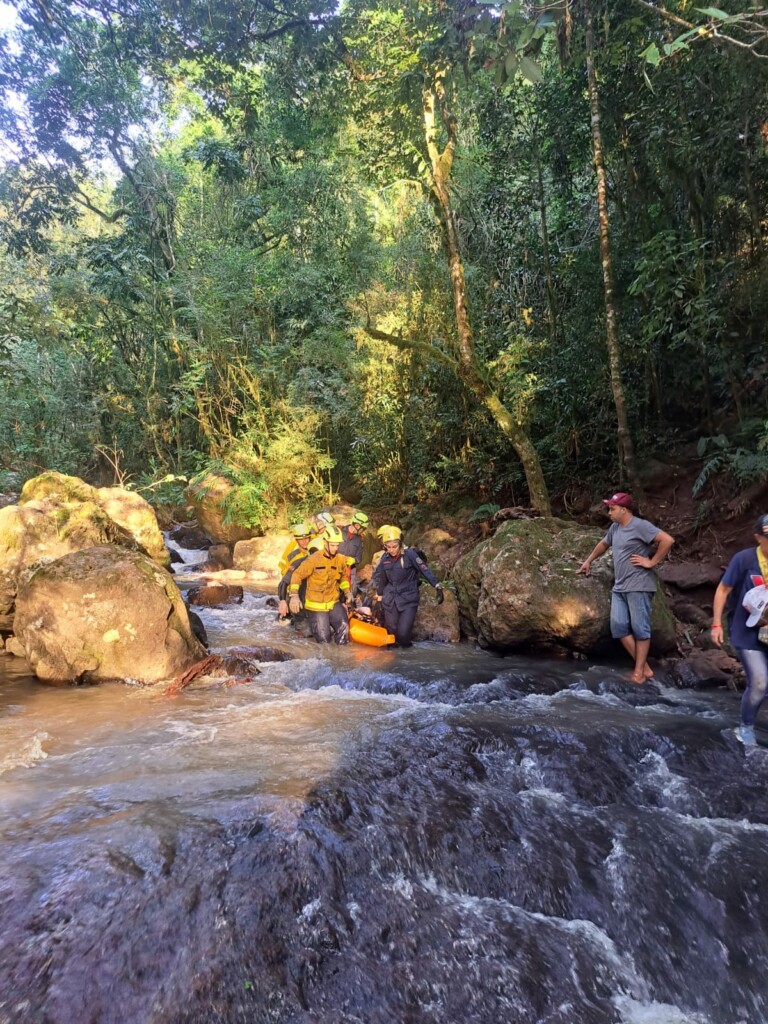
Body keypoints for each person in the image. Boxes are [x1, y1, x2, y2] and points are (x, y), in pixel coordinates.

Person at [577, 492, 675, 684]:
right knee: (619, 628)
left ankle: (638, 673)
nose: (609, 512)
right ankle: (645, 668)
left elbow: (667, 540)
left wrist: (651, 562)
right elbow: (604, 544)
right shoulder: (615, 528)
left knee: (640, 629)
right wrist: (588, 561)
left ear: (624, 510)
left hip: (639, 585)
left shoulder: (640, 526)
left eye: (612, 509)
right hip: (620, 587)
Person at [711, 513, 768, 745]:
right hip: (746, 631)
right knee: (760, 682)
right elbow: (723, 590)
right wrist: (716, 624)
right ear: (758, 537)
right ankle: (746, 728)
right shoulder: (744, 560)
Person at [373, 526, 444, 648]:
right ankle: (393, 662)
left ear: (400, 544)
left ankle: (408, 653)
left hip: (408, 598)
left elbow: (424, 569)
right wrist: (379, 599)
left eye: (394, 546)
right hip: (390, 599)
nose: (391, 550)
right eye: (388, 547)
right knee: (392, 632)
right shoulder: (385, 559)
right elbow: (382, 580)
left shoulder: (410, 555)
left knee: (403, 634)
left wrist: (437, 585)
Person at [288, 525, 354, 644]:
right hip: (316, 605)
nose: (335, 548)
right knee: (324, 639)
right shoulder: (313, 560)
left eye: (337, 545)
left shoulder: (341, 559)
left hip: (333, 602)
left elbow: (343, 576)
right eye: (333, 545)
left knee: (344, 628)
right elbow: (297, 575)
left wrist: (347, 591)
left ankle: (342, 658)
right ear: (325, 542)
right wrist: (294, 596)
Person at [277, 535, 323, 623]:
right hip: (300, 601)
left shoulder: (330, 563)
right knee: (304, 630)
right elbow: (283, 583)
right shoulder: (298, 563)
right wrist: (283, 601)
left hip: (318, 602)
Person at [339, 510, 369, 595]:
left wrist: (353, 560)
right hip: (335, 568)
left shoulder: (359, 540)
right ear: (357, 525)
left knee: (346, 594)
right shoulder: (339, 532)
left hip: (349, 571)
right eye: (363, 528)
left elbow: (358, 558)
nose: (363, 531)